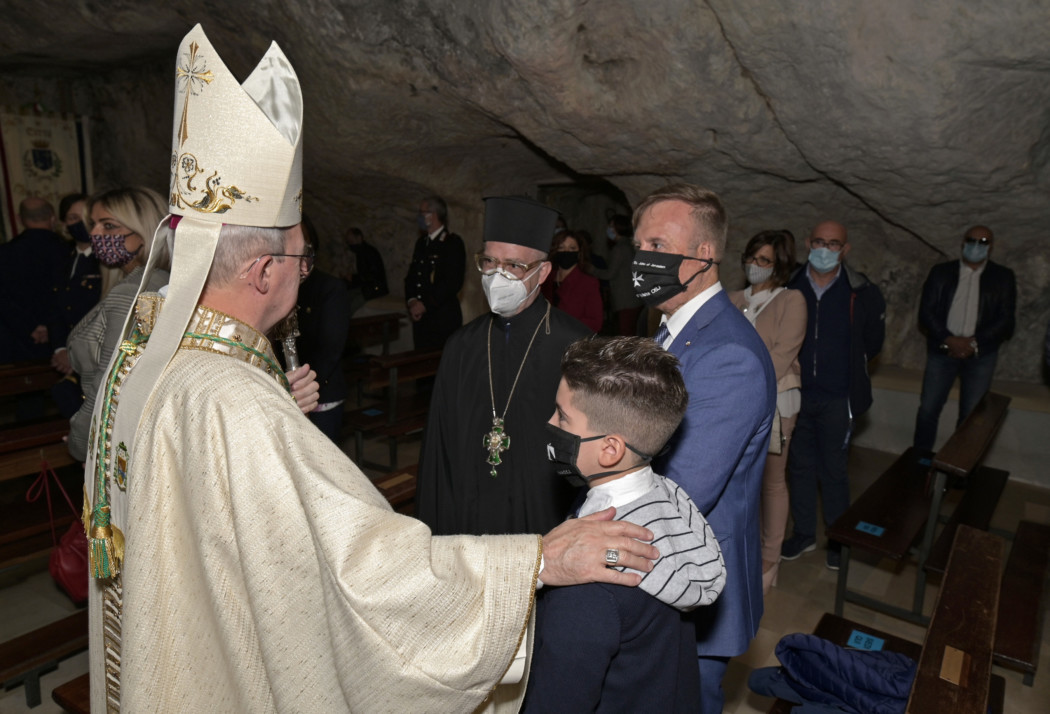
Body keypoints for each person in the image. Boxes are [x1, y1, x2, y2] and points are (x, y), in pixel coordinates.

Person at [83, 26, 659, 713]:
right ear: (265, 270)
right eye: (301, 260)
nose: (307, 272)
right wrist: (536, 561)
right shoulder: (234, 401)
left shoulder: (159, 354)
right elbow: (363, 566)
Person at [523, 336, 726, 713]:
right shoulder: (667, 499)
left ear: (610, 449)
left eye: (562, 416)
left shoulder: (588, 583)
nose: (550, 423)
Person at [632, 183, 776, 712]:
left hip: (690, 576)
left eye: (657, 246)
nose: (643, 260)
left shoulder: (727, 354)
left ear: (703, 256)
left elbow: (681, 490)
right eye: (639, 248)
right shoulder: (672, 332)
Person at [416, 196, 592, 536]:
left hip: (542, 519)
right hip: (468, 516)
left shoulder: (577, 346)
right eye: (489, 262)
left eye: (514, 266)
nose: (498, 275)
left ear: (542, 273)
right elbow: (439, 452)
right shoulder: (461, 345)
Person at [781, 220, 886, 571]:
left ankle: (839, 539)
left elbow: (872, 343)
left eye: (834, 244)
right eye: (819, 242)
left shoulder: (863, 292)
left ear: (845, 249)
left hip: (839, 397)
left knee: (834, 470)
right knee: (799, 466)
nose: (825, 250)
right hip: (797, 394)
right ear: (808, 243)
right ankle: (804, 533)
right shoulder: (789, 286)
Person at [65, 187, 173, 462]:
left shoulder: (131, 293)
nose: (96, 234)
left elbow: (110, 382)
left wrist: (80, 439)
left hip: (114, 440)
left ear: (145, 231)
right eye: (94, 225)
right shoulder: (157, 280)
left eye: (109, 225)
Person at [729, 230, 806, 594]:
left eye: (764, 261)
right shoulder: (730, 298)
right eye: (751, 258)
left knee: (773, 481)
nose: (755, 266)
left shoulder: (792, 300)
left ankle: (769, 559)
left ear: (780, 266)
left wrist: (745, 386)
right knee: (737, 481)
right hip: (733, 401)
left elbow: (783, 352)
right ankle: (735, 551)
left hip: (775, 399)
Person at [913, 225, 1016, 452]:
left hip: (981, 355)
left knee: (972, 415)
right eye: (972, 240)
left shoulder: (1003, 277)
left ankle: (958, 470)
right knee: (928, 409)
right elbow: (926, 313)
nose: (976, 246)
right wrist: (949, 339)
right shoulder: (940, 272)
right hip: (942, 351)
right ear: (962, 242)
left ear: (990, 247)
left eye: (983, 242)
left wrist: (973, 342)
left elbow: (1006, 320)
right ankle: (919, 462)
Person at [0, 196, 68, 362]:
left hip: (17, 344)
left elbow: (3, 298)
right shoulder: (67, 250)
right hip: (65, 342)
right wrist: (50, 328)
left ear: (18, 219)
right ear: (53, 217)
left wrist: (30, 327)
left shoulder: (5, 253)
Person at [49, 193, 102, 376]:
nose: (81, 223)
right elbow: (55, 308)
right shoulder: (61, 260)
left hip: (97, 356)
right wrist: (60, 349)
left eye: (86, 218)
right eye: (73, 218)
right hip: (68, 356)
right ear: (64, 224)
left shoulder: (106, 262)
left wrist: (78, 355)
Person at [404, 195, 465, 350]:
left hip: (442, 319)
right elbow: (412, 276)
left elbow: (452, 282)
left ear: (434, 215)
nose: (419, 216)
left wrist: (425, 305)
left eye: (422, 212)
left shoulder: (452, 243)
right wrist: (412, 301)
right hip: (421, 319)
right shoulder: (421, 243)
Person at [540, 229, 603, 332]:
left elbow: (595, 322)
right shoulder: (545, 278)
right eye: (561, 247)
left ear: (579, 253)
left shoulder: (588, 283)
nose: (566, 252)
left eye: (572, 248)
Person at [594, 214, 643, 335]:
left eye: (611, 226)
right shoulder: (630, 245)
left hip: (625, 299)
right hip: (633, 297)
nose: (609, 229)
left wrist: (591, 270)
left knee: (626, 333)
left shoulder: (620, 248)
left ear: (618, 228)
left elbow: (610, 273)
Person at [345, 226, 388, 314]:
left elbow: (373, 276)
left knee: (353, 304)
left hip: (376, 288)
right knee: (345, 296)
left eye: (351, 241)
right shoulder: (361, 252)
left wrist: (354, 278)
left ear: (359, 238)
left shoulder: (370, 253)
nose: (350, 244)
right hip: (368, 286)